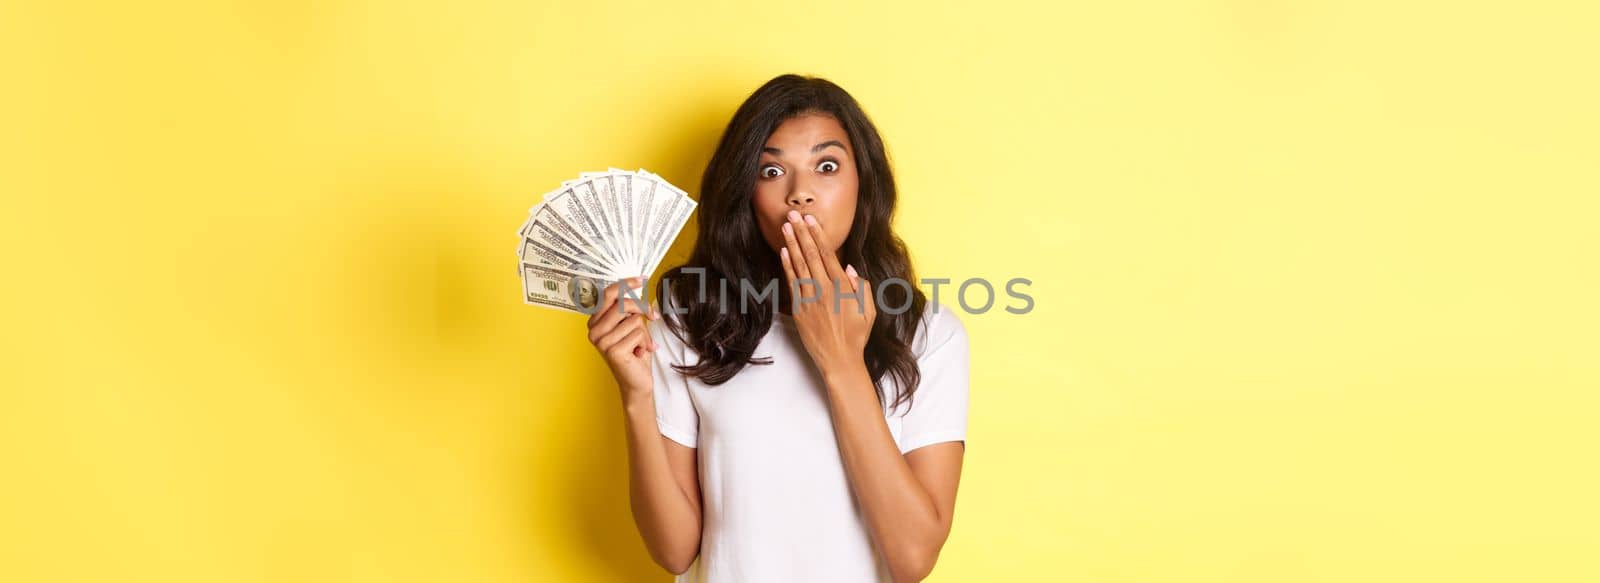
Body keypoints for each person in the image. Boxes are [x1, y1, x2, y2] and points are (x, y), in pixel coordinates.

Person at [584, 74, 969, 582]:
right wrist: (636, 395)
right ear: (745, 191)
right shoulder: (690, 316)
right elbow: (675, 551)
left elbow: (912, 558)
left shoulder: (929, 334)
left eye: (826, 166)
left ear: (863, 182)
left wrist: (840, 359)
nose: (800, 194)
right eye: (771, 170)